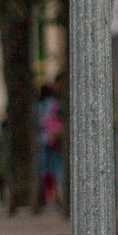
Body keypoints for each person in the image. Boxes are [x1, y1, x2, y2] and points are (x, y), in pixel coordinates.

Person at [35, 83, 66, 214]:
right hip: (54, 139)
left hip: (42, 141)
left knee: (43, 170)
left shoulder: (37, 106)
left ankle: (44, 198)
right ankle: (60, 196)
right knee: (57, 169)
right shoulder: (53, 103)